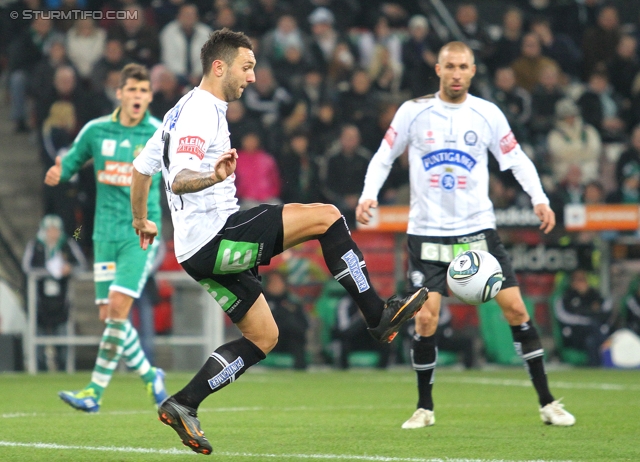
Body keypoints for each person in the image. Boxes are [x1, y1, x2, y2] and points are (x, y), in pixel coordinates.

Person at [130, 28, 427, 455]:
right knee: (328, 217)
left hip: (195, 252)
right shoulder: (199, 111)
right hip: (216, 235)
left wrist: (142, 219)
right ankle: (376, 315)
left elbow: (142, 170)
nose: (251, 78)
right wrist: (211, 177)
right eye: (246, 67)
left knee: (264, 337)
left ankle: (183, 403)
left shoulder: (178, 111)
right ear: (220, 66)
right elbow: (177, 178)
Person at [356, 41, 576, 429]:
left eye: (463, 66)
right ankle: (424, 407)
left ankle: (547, 403)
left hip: (477, 231)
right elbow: (383, 156)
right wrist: (368, 195)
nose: (457, 73)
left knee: (518, 311)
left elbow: (516, 159)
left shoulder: (487, 114)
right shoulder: (413, 112)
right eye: (450, 66)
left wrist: (539, 198)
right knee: (426, 319)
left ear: (473, 71)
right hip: (427, 235)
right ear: (438, 69)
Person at [44, 63, 168, 413]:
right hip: (102, 233)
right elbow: (72, 161)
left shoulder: (159, 133)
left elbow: (181, 169)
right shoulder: (96, 131)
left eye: (144, 91)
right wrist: (60, 170)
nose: (138, 96)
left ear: (149, 96)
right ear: (120, 93)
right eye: (132, 90)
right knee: (108, 314)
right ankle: (150, 375)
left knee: (117, 308)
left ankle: (94, 392)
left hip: (140, 233)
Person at [22, 215, 87, 371]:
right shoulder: (35, 245)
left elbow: (81, 265)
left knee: (62, 338)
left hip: (61, 300)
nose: (53, 233)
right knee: (39, 337)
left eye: (56, 230)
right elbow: (26, 267)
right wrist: (46, 272)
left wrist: (69, 269)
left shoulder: (68, 244)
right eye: (50, 230)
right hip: (39, 301)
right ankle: (39, 369)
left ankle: (64, 368)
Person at [553, 269, 613, 367]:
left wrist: (586, 313)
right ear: (572, 282)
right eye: (578, 280)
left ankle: (600, 366)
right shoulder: (566, 297)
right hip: (574, 334)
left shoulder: (594, 295)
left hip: (594, 332)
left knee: (592, 339)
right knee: (594, 332)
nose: (581, 283)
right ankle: (599, 362)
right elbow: (565, 317)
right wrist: (589, 315)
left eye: (583, 280)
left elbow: (606, 310)